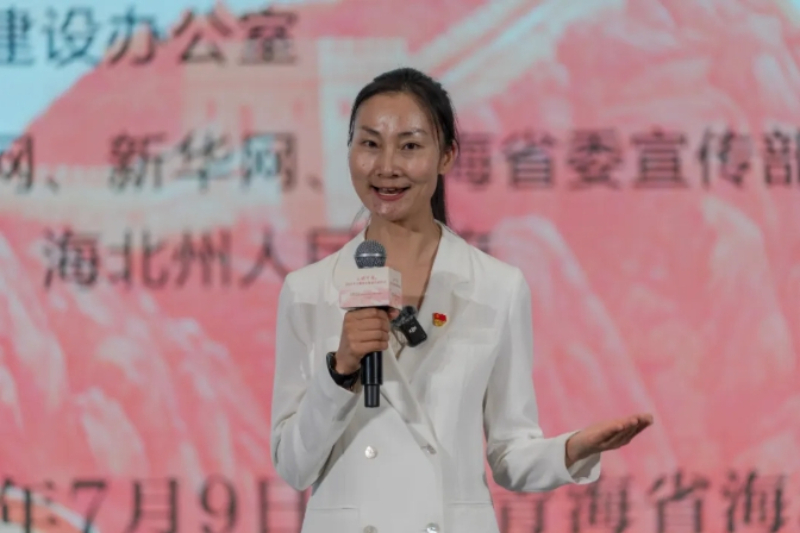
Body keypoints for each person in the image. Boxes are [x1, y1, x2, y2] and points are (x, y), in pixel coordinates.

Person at [269, 67, 653, 533]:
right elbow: (293, 466)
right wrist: (340, 370)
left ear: (446, 155)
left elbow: (510, 454)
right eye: (369, 143)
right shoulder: (308, 292)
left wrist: (572, 450)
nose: (386, 165)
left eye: (410, 146)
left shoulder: (497, 287)